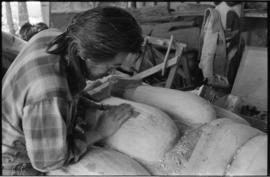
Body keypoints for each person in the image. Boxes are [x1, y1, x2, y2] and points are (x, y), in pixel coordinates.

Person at [2, 6, 143, 175]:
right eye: (113, 66)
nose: (111, 73)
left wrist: (93, 107)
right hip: (15, 159)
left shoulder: (53, 37)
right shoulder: (50, 92)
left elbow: (67, 89)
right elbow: (48, 161)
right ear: (87, 54)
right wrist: (99, 131)